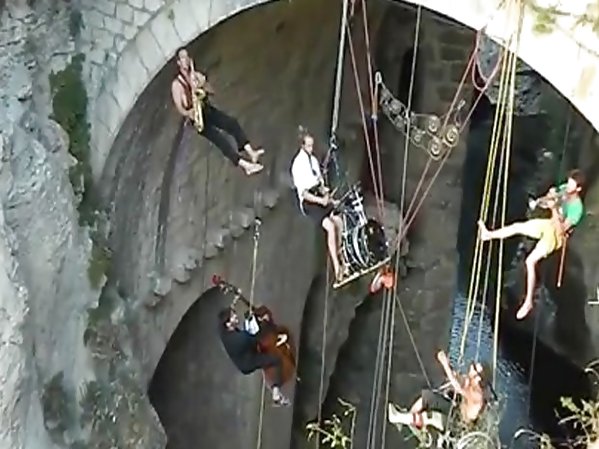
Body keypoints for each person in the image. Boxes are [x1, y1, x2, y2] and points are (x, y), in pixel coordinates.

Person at [478, 169, 585, 320]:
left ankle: (528, 302)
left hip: (556, 237)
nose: (567, 187)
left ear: (578, 189)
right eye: (568, 183)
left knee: (530, 261)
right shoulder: (564, 189)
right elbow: (549, 199)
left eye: (571, 186)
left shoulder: (577, 209)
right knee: (517, 226)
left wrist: (554, 209)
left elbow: (561, 230)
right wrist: (548, 197)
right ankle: (488, 235)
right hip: (549, 224)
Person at [171, 47, 264, 176]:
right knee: (221, 140)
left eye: (187, 57)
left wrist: (203, 83)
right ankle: (246, 166)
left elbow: (212, 91)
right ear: (178, 63)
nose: (185, 60)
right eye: (182, 58)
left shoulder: (195, 75)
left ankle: (251, 152)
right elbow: (179, 107)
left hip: (206, 108)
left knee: (231, 123)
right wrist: (189, 113)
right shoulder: (177, 85)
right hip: (197, 118)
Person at [290, 127, 344, 281]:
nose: (311, 148)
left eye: (312, 145)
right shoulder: (298, 165)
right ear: (302, 145)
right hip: (309, 202)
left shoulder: (313, 160)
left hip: (319, 196)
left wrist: (327, 195)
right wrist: (321, 200)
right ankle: (337, 268)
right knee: (330, 226)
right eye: (308, 146)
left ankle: (342, 259)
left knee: (339, 222)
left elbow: (319, 183)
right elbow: (304, 193)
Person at [388, 350, 489, 431]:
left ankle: (397, 418)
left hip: (458, 424)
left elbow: (458, 387)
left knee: (429, 412)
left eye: (474, 367)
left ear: (478, 378)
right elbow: (458, 380)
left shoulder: (478, 395)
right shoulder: (472, 383)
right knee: (429, 396)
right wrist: (451, 369)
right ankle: (407, 417)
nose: (471, 366)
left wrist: (445, 364)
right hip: (456, 411)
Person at [218, 307, 290, 406]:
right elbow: (254, 338)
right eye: (233, 316)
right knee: (276, 360)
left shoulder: (224, 332)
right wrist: (263, 323)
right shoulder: (240, 339)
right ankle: (276, 394)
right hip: (248, 362)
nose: (236, 316)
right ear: (228, 323)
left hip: (242, 355)